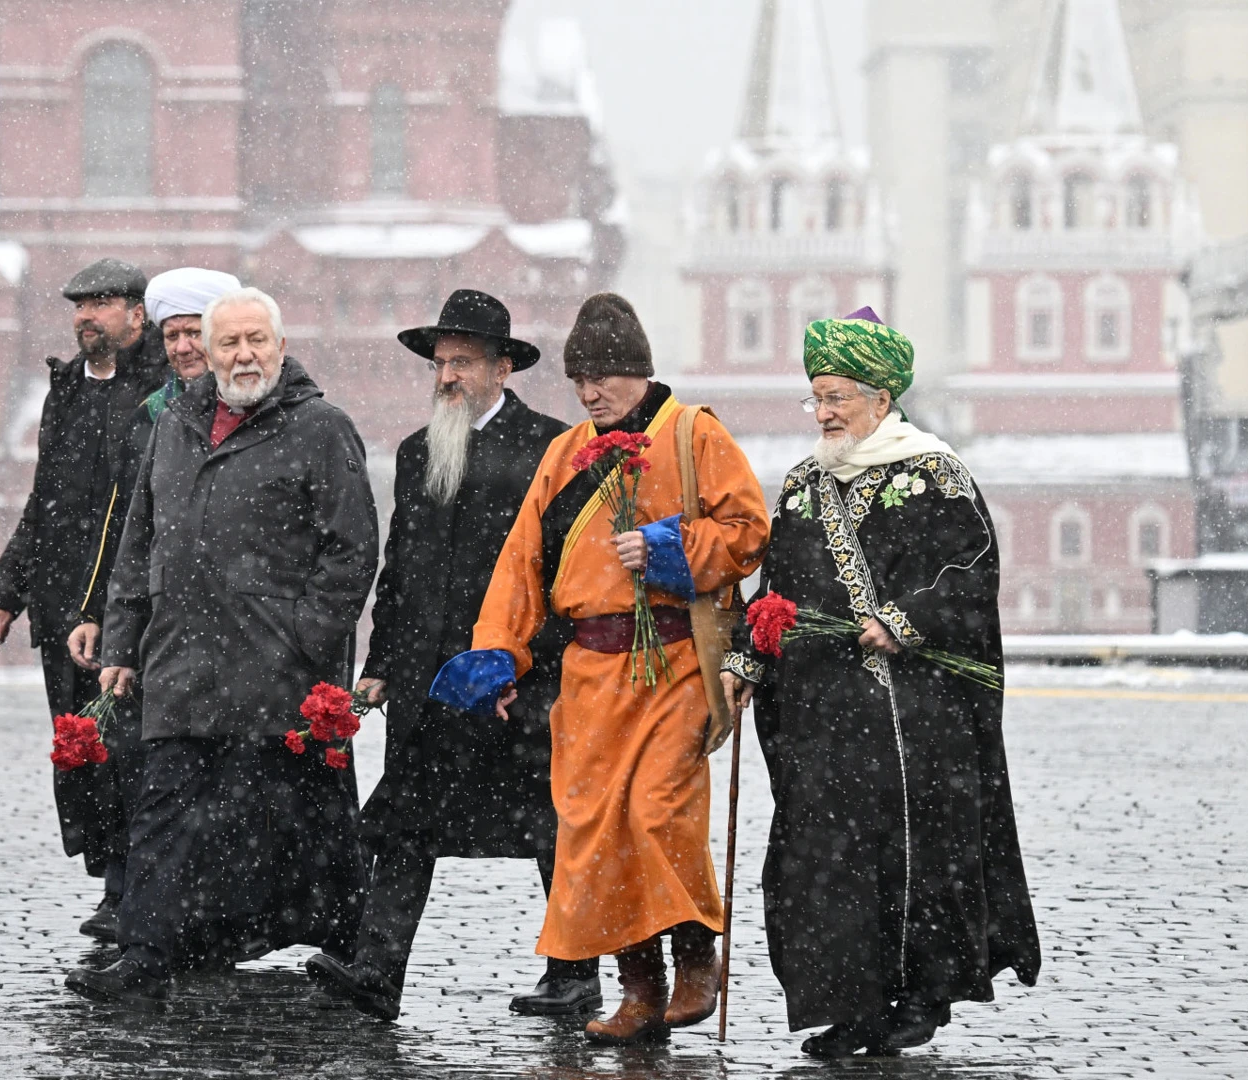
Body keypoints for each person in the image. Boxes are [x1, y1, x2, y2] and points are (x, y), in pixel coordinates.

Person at [430, 293, 769, 1045]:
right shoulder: (565, 453)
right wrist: (499, 650)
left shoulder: (694, 434)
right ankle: (639, 991)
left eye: (606, 378)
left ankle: (695, 956)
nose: (591, 394)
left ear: (641, 373)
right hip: (588, 672)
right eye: (581, 380)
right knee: (594, 836)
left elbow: (748, 531)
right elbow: (522, 565)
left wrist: (673, 551)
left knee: (655, 812)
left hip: (675, 661)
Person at [719, 308, 1041, 1058]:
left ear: (880, 398)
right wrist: (747, 656)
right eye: (816, 397)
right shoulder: (801, 487)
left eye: (836, 396)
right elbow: (777, 594)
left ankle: (919, 997)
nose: (824, 412)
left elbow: (971, 571)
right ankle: (851, 1006)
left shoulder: (934, 473)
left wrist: (903, 619)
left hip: (913, 712)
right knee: (824, 861)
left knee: (910, 855)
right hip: (820, 716)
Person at [66, 287, 379, 1009]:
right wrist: (122, 641)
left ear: (279, 344)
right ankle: (144, 953)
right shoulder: (174, 424)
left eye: (256, 341)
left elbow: (352, 549)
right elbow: (138, 538)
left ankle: (350, 949)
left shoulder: (320, 427)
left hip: (278, 672)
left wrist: (304, 634)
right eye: (228, 344)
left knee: (299, 815)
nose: (243, 356)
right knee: (164, 811)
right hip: (180, 661)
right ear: (205, 354)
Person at [302, 290, 577, 1021]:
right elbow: (403, 566)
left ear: (502, 367)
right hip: (428, 678)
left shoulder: (552, 447)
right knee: (405, 822)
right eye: (440, 363)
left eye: (462, 362)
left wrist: (534, 666)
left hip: (512, 678)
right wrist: (382, 662)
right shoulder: (421, 448)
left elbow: (563, 574)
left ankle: (574, 972)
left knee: (548, 825)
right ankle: (379, 970)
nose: (446, 376)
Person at [0, 258, 166, 943]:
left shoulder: (159, 393)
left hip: (126, 607)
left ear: (137, 316)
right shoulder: (64, 390)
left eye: (104, 304)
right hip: (61, 606)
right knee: (80, 750)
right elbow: (44, 501)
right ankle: (110, 874)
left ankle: (131, 890)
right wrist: (8, 591)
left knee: (129, 750)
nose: (88, 316)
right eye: (80, 305)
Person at [64, 266, 242, 678]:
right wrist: (93, 613)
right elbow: (125, 529)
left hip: (253, 627)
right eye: (171, 336)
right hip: (168, 629)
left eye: (194, 333)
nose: (182, 348)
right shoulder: (152, 416)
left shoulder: (279, 415)